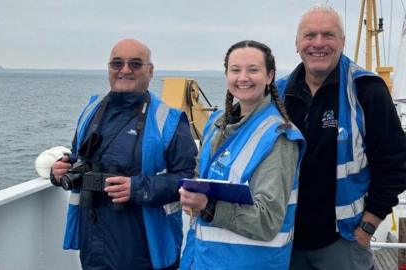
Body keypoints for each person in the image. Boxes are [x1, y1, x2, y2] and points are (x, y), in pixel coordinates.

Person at [276, 4, 406, 269]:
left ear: (343, 42)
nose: (318, 43)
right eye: (310, 35)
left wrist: (368, 226)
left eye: (328, 35)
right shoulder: (279, 94)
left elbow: (396, 163)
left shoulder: (366, 90)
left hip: (343, 241)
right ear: (297, 43)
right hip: (287, 241)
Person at [50, 38, 197, 270]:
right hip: (94, 245)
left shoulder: (169, 120)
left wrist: (137, 188)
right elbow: (78, 158)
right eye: (117, 63)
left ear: (150, 71)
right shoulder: (91, 110)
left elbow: (189, 179)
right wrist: (60, 171)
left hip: (145, 250)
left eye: (135, 64)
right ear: (108, 68)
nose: (125, 70)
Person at [179, 40, 305, 269]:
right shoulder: (216, 125)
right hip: (203, 260)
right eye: (235, 70)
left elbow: (268, 221)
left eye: (253, 70)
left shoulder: (278, 137)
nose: (243, 77)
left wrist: (209, 206)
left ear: (270, 76)